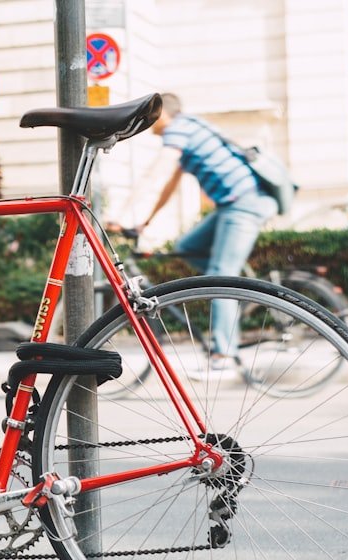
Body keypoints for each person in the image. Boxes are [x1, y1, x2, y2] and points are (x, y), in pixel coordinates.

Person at [111, 93, 279, 371]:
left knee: (219, 276)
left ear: (162, 113)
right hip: (231, 206)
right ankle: (235, 289)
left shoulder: (179, 130)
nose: (147, 122)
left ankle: (223, 355)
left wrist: (120, 213)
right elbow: (169, 186)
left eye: (150, 115)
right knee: (188, 245)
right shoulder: (190, 128)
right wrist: (145, 222)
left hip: (245, 204)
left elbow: (155, 174)